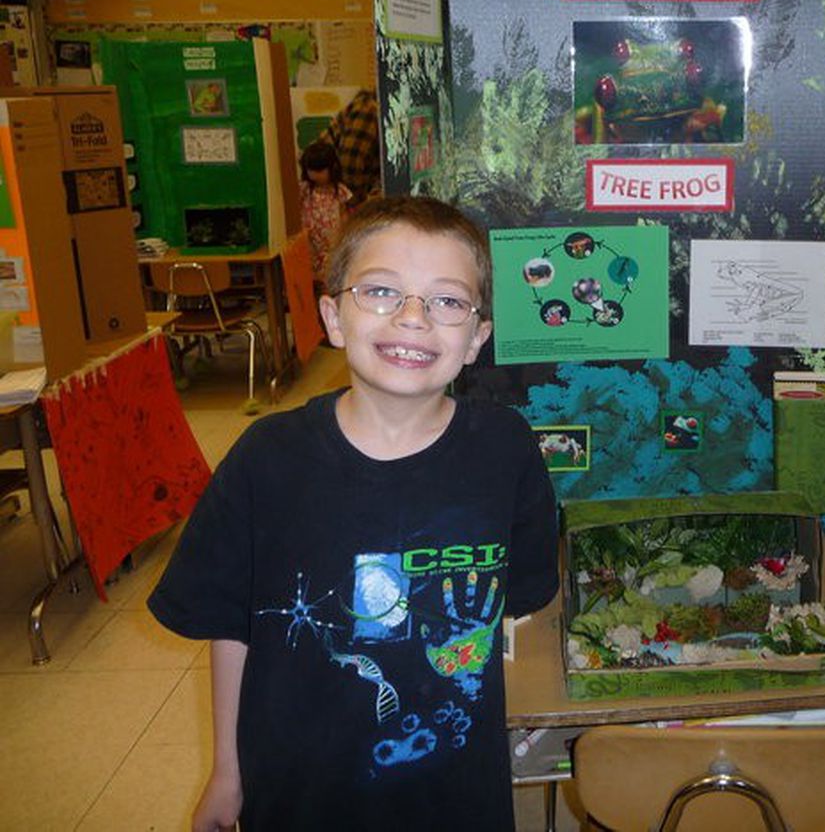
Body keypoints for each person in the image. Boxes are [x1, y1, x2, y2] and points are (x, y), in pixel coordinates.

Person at [148, 197, 559, 831]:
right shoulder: (266, 459)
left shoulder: (506, 451)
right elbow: (231, 625)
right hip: (300, 793)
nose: (413, 318)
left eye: (447, 301)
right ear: (333, 317)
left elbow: (517, 602)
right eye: (380, 291)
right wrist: (227, 773)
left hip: (454, 795)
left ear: (476, 337)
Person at [297, 141, 353, 284]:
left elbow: (344, 215)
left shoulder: (339, 190)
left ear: (332, 168)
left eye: (320, 170)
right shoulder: (304, 189)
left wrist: (342, 238)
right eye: (311, 170)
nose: (315, 174)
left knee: (331, 278)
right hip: (311, 244)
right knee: (311, 279)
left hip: (332, 245)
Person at [322, 88, 381, 206]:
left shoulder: (372, 107)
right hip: (331, 195)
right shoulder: (370, 109)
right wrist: (357, 203)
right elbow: (350, 164)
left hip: (336, 193)